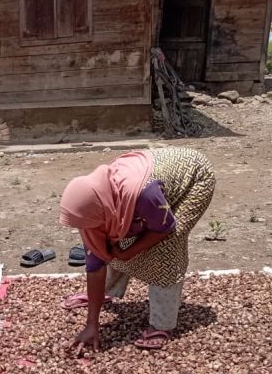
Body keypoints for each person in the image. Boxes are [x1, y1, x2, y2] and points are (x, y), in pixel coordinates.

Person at [59, 147, 215, 351]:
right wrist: (91, 323)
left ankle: (162, 324)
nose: (86, 229)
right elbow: (96, 260)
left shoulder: (141, 194)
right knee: (117, 238)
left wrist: (129, 253)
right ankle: (104, 293)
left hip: (194, 178)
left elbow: (164, 227)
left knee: (166, 247)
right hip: (152, 187)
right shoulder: (98, 204)